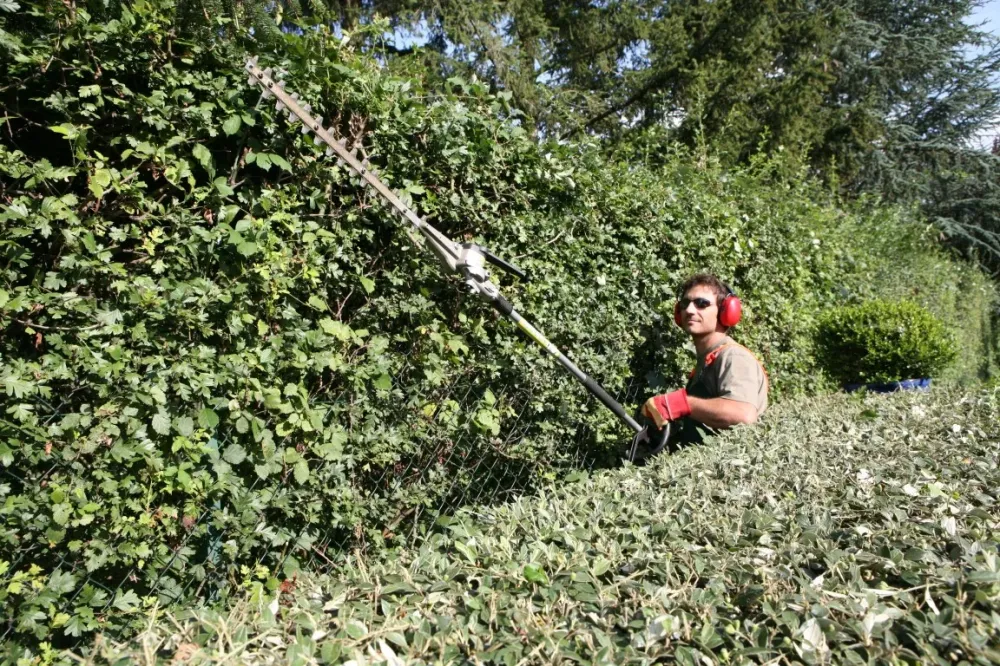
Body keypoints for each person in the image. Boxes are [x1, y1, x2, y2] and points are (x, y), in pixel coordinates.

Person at [639, 273, 768, 456]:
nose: (690, 310)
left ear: (725, 312)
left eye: (702, 303)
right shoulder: (708, 359)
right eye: (685, 303)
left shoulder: (733, 356)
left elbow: (743, 415)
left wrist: (680, 404)